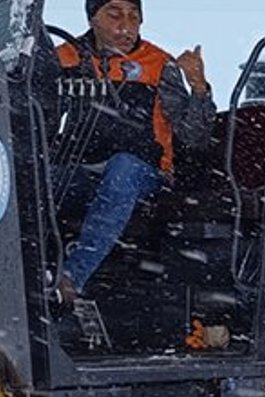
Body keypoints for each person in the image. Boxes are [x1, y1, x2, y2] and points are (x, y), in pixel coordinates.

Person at [51, 0, 215, 303]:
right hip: (82, 170)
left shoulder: (157, 64)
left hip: (145, 174)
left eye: (134, 17)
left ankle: (71, 279)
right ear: (92, 18)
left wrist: (199, 89)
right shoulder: (64, 59)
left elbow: (195, 137)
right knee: (34, 178)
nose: (125, 26)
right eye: (114, 15)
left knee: (123, 168)